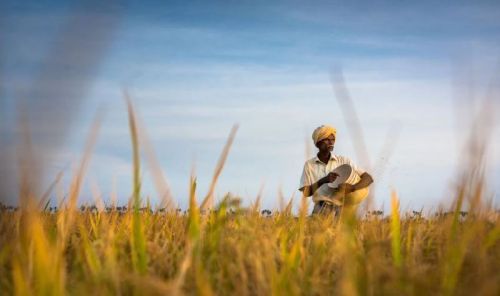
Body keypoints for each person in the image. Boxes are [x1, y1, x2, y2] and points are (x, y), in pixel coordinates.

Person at [299, 125, 373, 216]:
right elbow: (306, 192)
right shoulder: (309, 165)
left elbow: (368, 178)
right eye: (327, 140)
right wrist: (323, 180)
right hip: (321, 209)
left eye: (333, 140)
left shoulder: (344, 161)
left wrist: (353, 188)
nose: (331, 143)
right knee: (317, 230)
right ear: (318, 143)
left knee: (345, 230)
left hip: (344, 209)